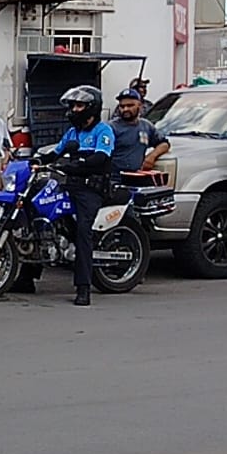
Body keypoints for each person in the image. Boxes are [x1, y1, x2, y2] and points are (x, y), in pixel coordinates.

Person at [48, 84, 115, 307]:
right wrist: (37, 161)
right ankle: (25, 278)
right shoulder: (73, 133)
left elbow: (101, 158)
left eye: (78, 105)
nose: (74, 109)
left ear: (91, 107)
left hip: (91, 189)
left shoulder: (103, 131)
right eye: (72, 105)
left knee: (83, 232)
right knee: (41, 216)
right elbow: (55, 152)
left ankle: (84, 288)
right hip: (71, 186)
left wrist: (77, 164)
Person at [108, 88, 170, 172]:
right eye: (122, 106)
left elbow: (164, 144)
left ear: (140, 106)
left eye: (130, 105)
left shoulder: (146, 126)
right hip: (115, 178)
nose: (125, 109)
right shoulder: (110, 127)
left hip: (138, 176)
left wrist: (151, 157)